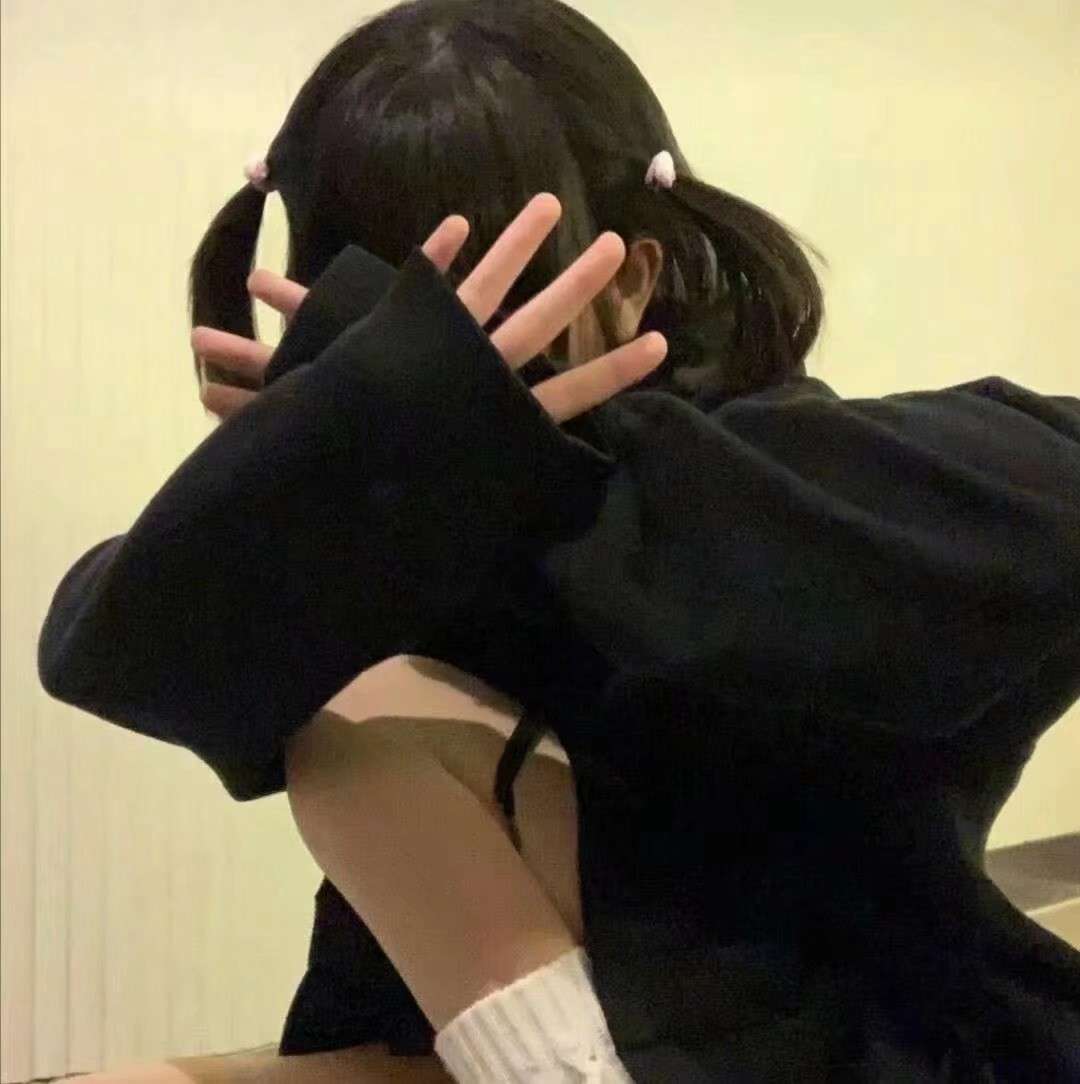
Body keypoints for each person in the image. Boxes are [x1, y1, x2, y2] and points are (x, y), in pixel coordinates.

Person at [38, 0, 1080, 1081]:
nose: (458, 362)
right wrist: (343, 441)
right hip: (492, 1035)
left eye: (499, 308)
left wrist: (542, 462)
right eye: (384, 322)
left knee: (378, 719)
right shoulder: (378, 503)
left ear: (630, 280)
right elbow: (115, 658)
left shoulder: (762, 476)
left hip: (855, 1040)